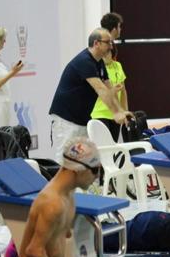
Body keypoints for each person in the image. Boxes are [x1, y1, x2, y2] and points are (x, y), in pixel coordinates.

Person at [18, 137, 101, 257]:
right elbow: (33, 250)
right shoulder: (52, 203)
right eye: (95, 170)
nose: (97, 177)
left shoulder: (68, 198)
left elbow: (61, 235)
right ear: (77, 171)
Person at [48, 28, 131, 163]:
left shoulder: (99, 62)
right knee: (65, 158)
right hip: (66, 118)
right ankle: (59, 184)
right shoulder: (85, 61)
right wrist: (115, 114)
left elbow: (108, 89)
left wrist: (121, 111)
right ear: (96, 43)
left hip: (81, 118)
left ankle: (80, 185)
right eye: (108, 42)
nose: (111, 45)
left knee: (81, 160)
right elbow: (101, 90)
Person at [90, 47, 128, 141]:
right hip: (98, 114)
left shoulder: (118, 66)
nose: (104, 55)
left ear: (112, 53)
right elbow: (98, 90)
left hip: (115, 115)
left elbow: (123, 91)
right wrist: (112, 91)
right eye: (102, 53)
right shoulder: (96, 68)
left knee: (113, 147)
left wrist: (124, 111)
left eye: (107, 52)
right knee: (103, 147)